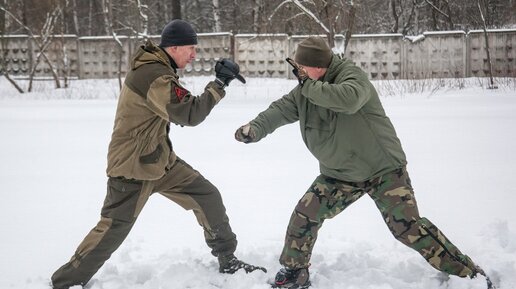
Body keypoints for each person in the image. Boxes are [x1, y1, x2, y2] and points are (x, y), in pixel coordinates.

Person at [234, 36, 495, 289]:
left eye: (301, 68)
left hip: (383, 170)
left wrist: (309, 86)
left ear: (315, 66)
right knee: (306, 214)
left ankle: (469, 275)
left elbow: (348, 100)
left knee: (408, 228)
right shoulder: (305, 89)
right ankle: (294, 273)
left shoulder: (351, 76)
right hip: (341, 174)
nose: (298, 73)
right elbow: (279, 110)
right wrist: (254, 128)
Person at [51, 19, 265, 289]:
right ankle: (65, 282)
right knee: (112, 229)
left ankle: (227, 259)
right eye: (190, 48)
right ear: (173, 47)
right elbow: (189, 113)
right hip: (132, 167)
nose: (194, 54)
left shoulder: (159, 68)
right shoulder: (154, 76)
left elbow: (178, 109)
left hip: (159, 161)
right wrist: (219, 83)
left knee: (207, 196)